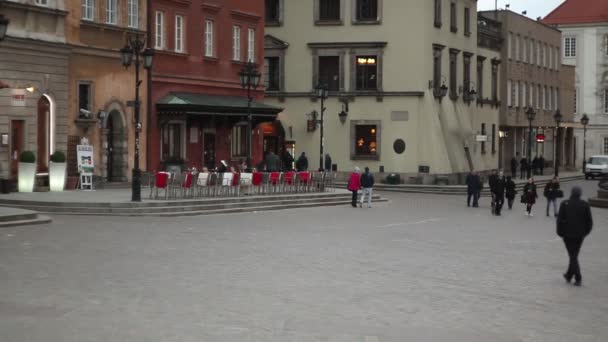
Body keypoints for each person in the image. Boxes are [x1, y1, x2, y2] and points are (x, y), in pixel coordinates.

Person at [557, 186, 593, 286]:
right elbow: (589, 221)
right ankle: (569, 275)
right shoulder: (585, 204)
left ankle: (578, 277)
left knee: (573, 256)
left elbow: (559, 220)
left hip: (567, 235)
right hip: (579, 235)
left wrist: (560, 232)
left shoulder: (564, 203)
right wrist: (585, 233)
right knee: (574, 255)